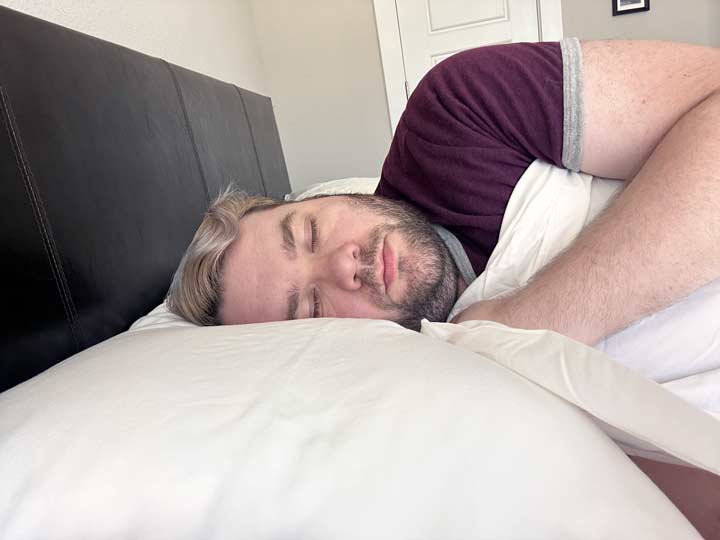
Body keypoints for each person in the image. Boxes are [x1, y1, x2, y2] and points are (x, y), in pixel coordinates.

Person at [167, 38, 720, 345]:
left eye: (310, 232)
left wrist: (533, 319)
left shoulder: (453, 114)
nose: (343, 265)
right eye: (311, 307)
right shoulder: (420, 390)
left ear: (321, 199)